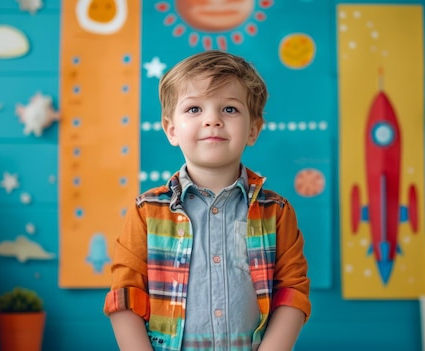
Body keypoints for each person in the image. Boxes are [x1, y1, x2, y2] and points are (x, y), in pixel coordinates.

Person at [104, 50, 311, 351]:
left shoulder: (276, 212)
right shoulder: (145, 212)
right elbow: (125, 295)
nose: (212, 120)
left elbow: (292, 291)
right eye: (194, 109)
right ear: (171, 129)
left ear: (253, 129)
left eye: (229, 109)